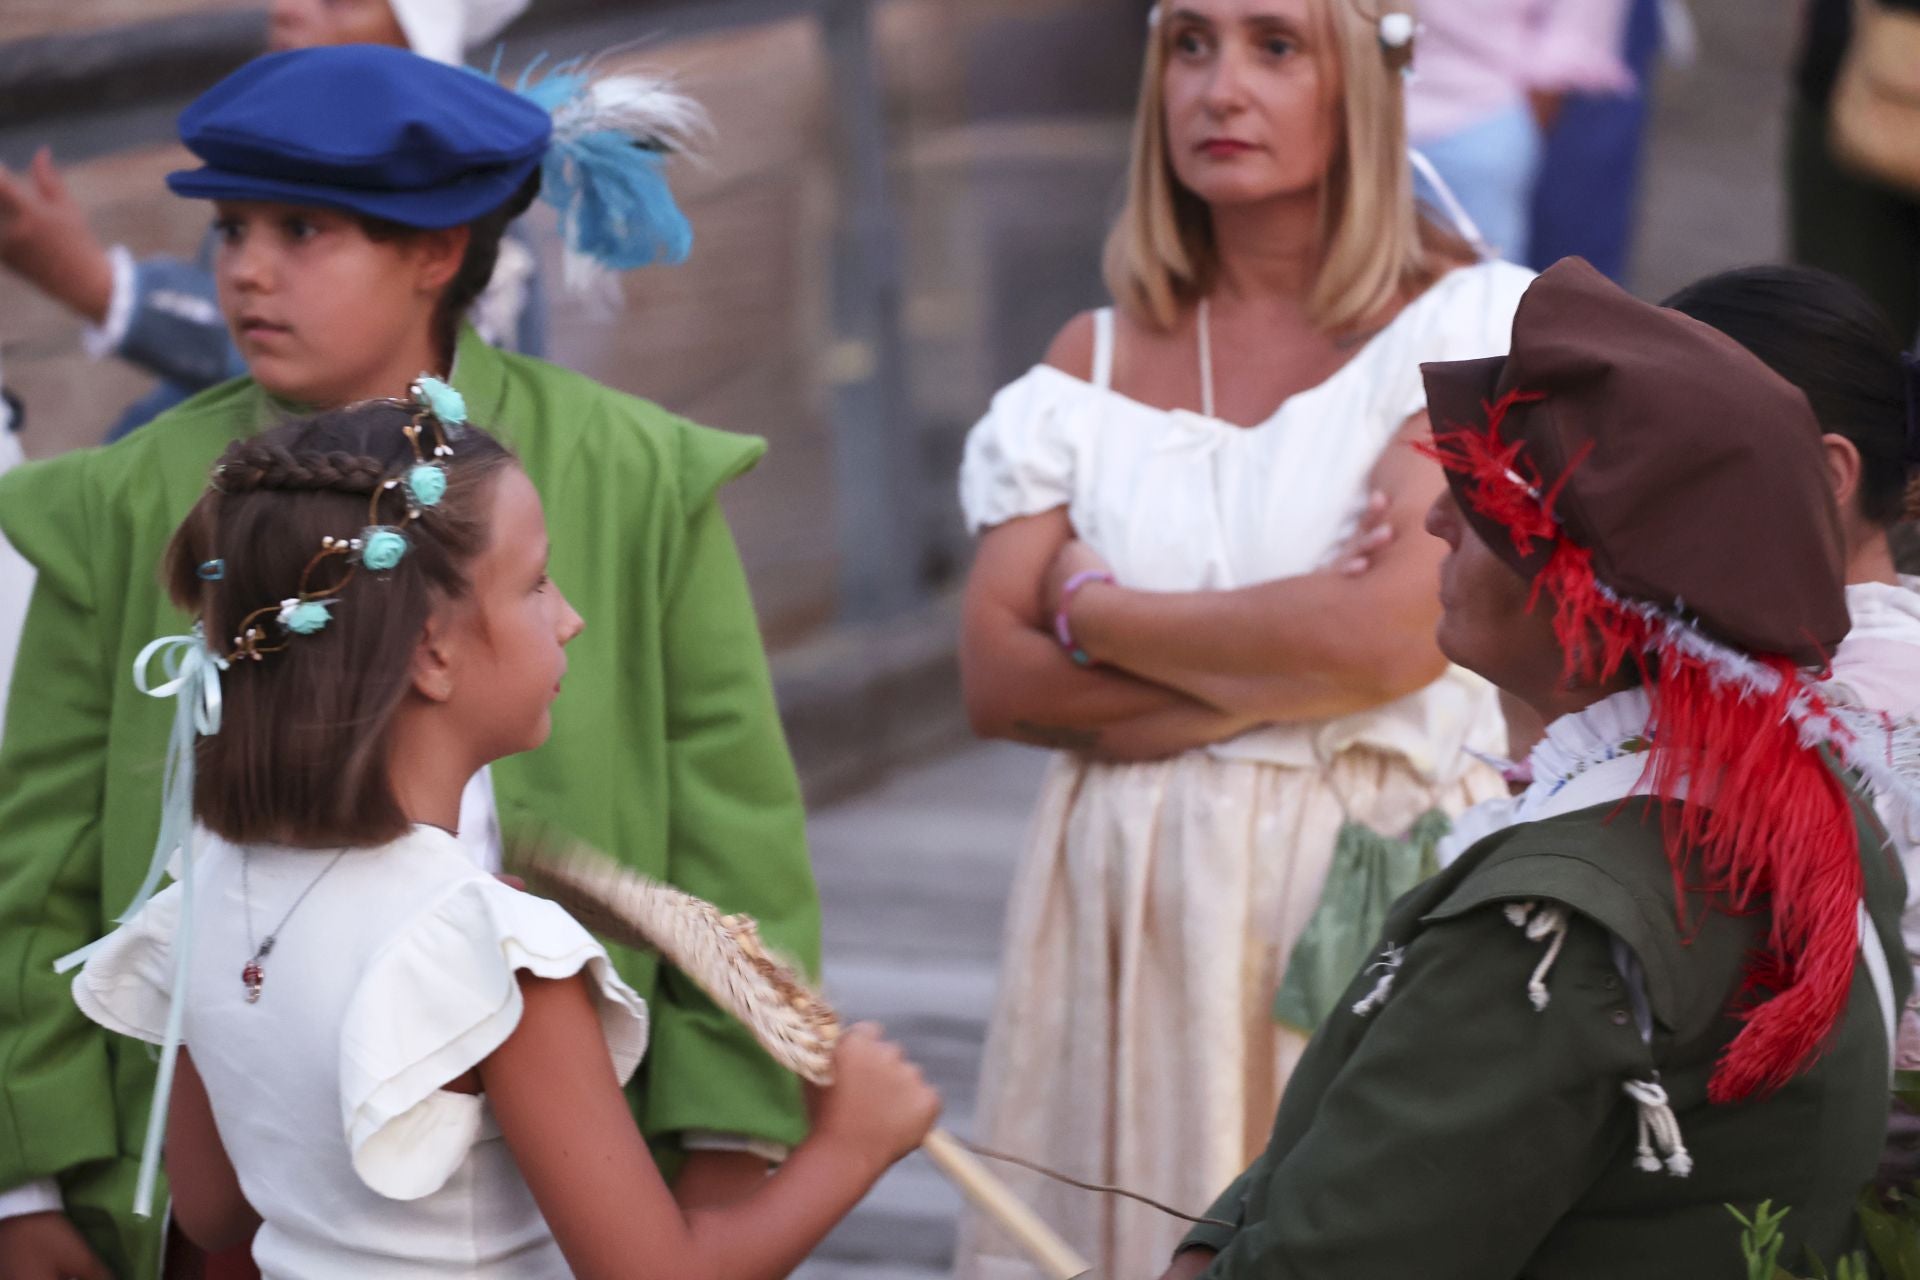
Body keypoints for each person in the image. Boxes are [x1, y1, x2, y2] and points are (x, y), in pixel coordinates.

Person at [0, 46, 801, 1280]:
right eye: (231, 227)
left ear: (438, 248)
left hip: (562, 1172)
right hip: (214, 1193)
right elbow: (36, 857)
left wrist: (731, 1138)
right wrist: (25, 1181)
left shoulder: (635, 473)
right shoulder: (123, 496)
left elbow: (733, 832)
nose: (245, 268)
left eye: (302, 229)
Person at [63, 397, 940, 1279]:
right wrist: (853, 1147)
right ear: (431, 652)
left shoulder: (210, 890)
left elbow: (212, 1206)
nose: (569, 618)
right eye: (536, 584)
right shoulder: (497, 959)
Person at [1160, 256, 1911, 1279]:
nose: (1437, 518)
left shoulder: (1560, 919)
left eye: (1488, 503)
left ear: (1592, 600)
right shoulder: (1800, 804)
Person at [953, 0, 1535, 1271]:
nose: (1221, 89)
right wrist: (1286, 666)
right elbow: (996, 678)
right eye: (1191, 45)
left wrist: (1093, 611)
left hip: (1366, 885)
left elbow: (1387, 639)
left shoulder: (1466, 325)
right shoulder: (1089, 358)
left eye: (1275, 45)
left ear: (1365, 76)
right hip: (1127, 905)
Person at [1661, 264, 1920, 1186]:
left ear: (1829, 473)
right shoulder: (1798, 662)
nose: (1629, 491)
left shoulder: (1866, 698)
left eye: (1676, 454)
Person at [0, 0, 539, 441]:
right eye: (232, 229)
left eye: (338, 2)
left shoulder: (475, 218)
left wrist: (97, 284)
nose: (286, 9)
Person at [1405, 0, 1633, 263]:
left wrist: (1527, 115)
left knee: (1479, 277)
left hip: (1478, 119)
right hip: (1381, 114)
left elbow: (1574, 32)